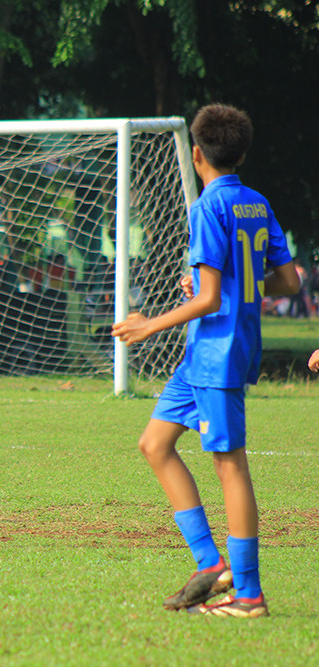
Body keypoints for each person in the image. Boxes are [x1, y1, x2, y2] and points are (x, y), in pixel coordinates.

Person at [112, 104, 300, 618]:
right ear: (239, 152)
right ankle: (209, 563)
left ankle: (249, 594)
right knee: (154, 444)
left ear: (197, 153)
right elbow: (288, 282)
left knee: (230, 466)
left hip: (219, 353)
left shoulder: (206, 207)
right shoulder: (257, 203)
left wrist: (147, 324)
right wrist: (234, 282)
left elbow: (210, 299)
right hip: (205, 354)